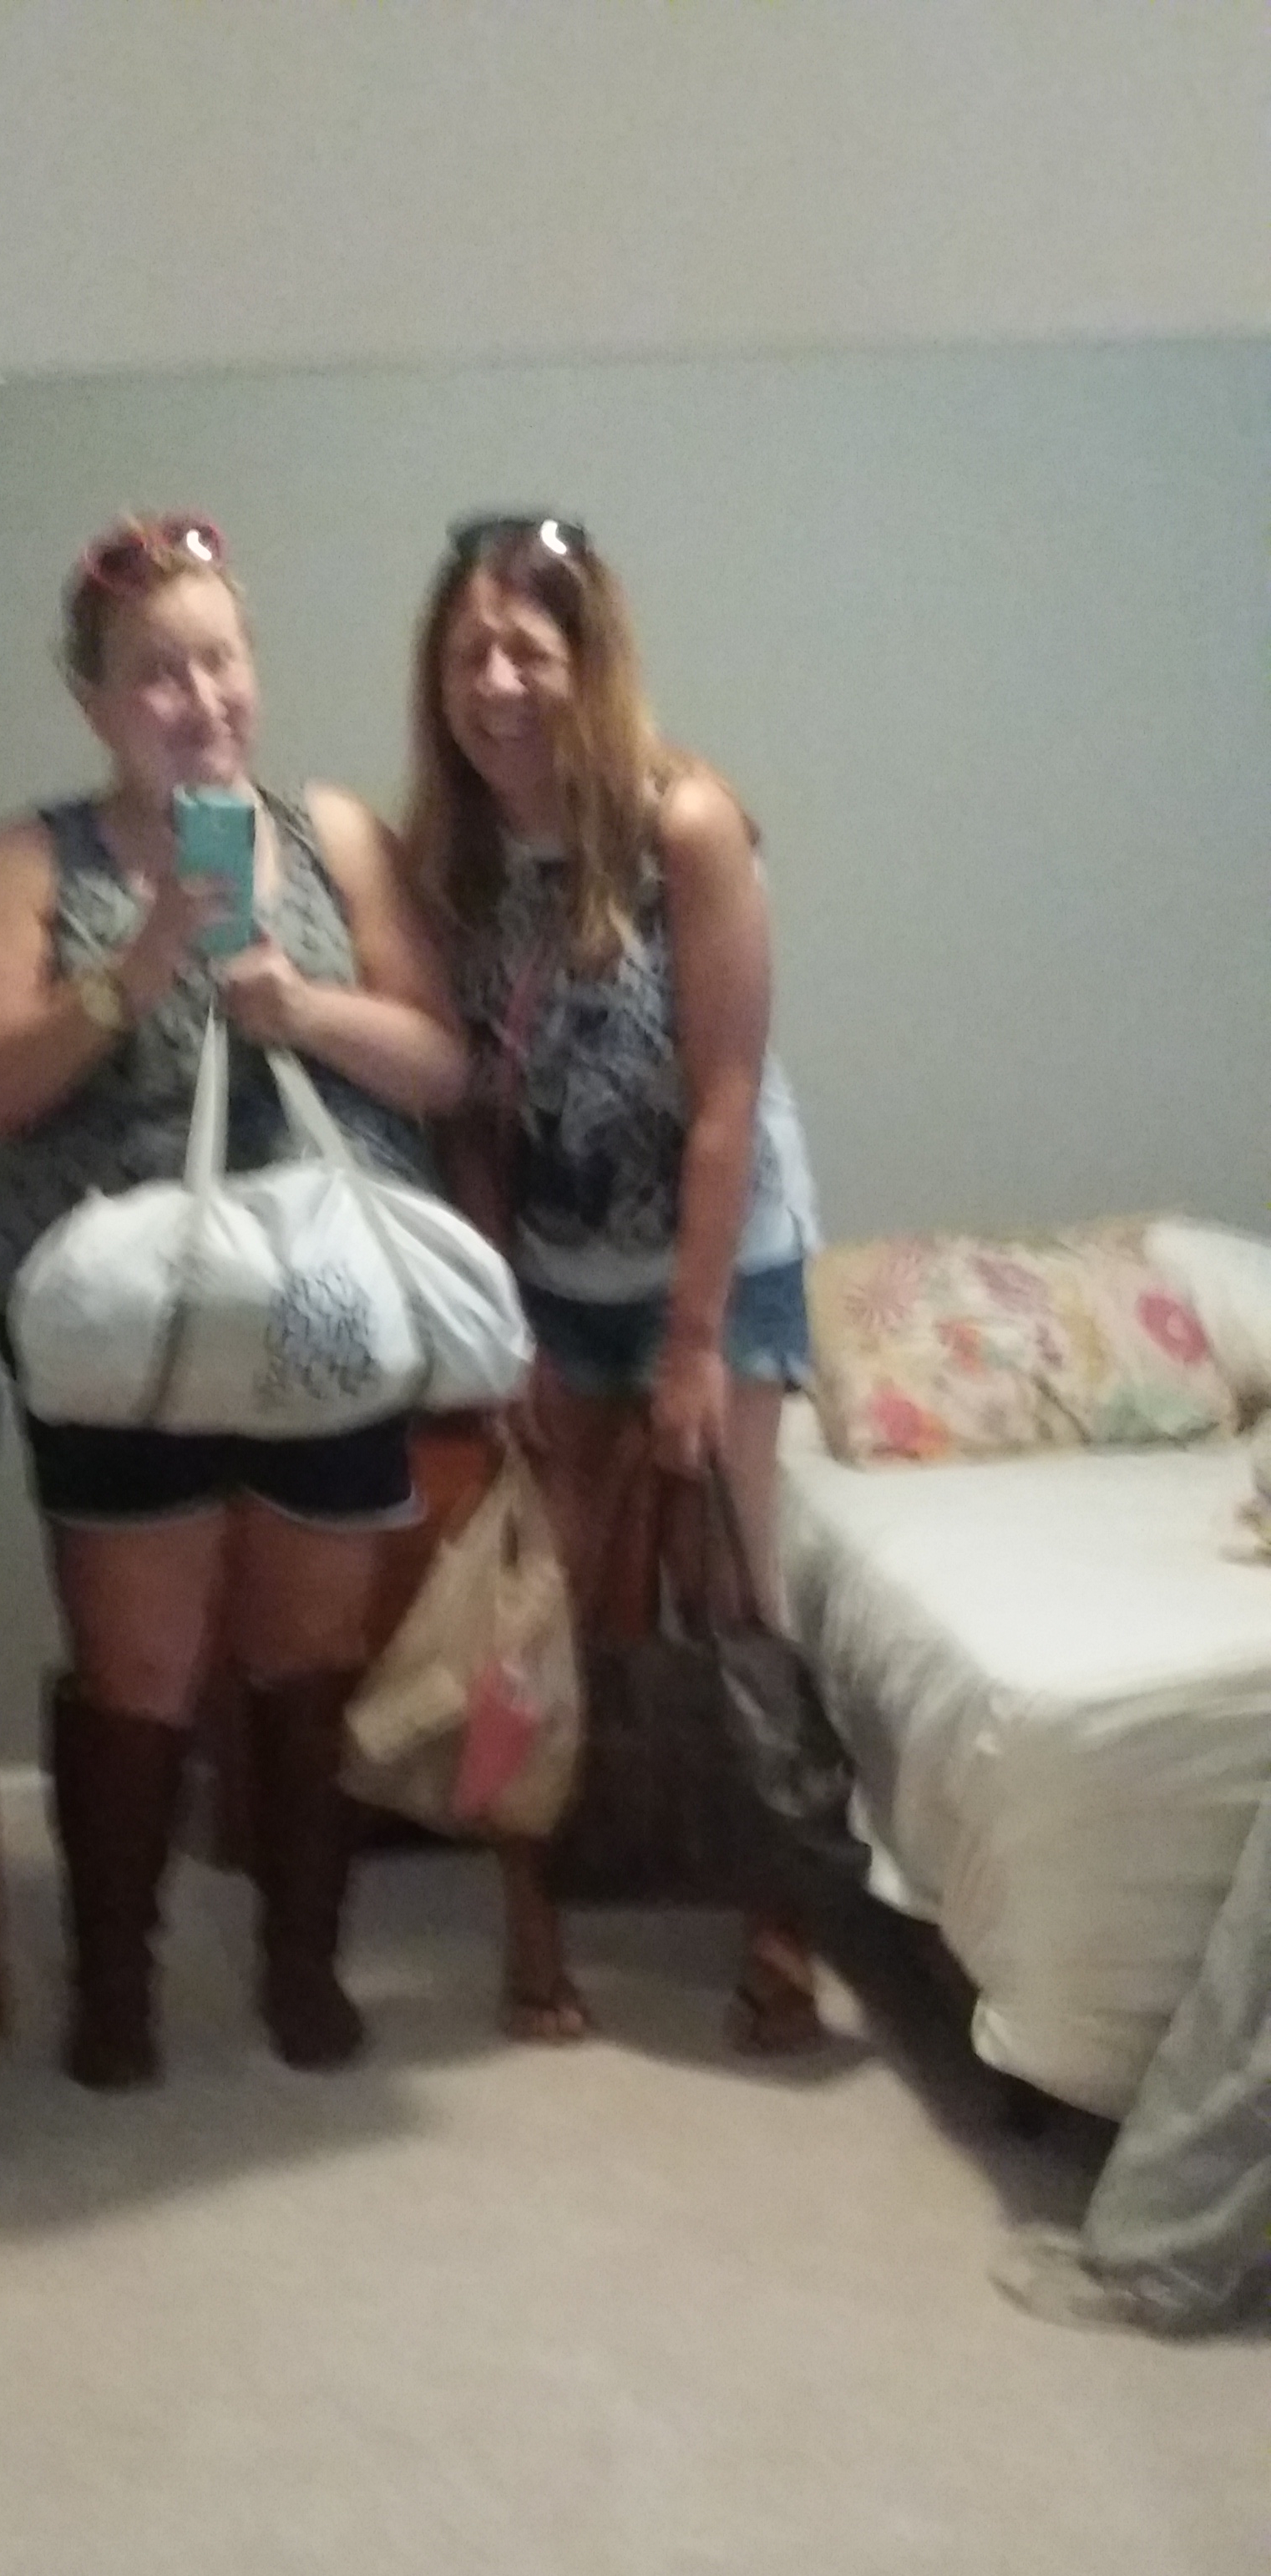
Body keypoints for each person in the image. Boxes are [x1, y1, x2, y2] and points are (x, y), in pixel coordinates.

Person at [0, 511, 468, 2090]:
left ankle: (304, 1964)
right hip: (117, 1314)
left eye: (220, 660)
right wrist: (141, 961)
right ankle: (116, 1982)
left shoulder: (335, 835)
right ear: (95, 700)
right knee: (139, 1668)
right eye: (157, 672)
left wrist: (306, 1008)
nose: (200, 698)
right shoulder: (32, 859)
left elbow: (440, 1065)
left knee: (307, 1653)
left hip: (318, 1298)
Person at [403, 512, 825, 2051]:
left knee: (729, 1588)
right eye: (469, 652)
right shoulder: (447, 860)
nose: (497, 683)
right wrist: (502, 1317)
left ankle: (781, 1920)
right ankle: (532, 1914)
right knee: (545, 1607)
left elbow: (727, 1098)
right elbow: (468, 1114)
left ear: (592, 665)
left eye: (529, 650)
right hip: (553, 1278)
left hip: (723, 1260)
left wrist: (694, 1344)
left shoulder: (685, 828)